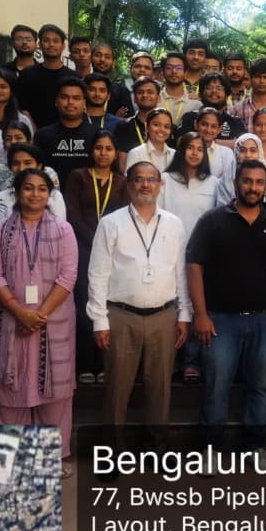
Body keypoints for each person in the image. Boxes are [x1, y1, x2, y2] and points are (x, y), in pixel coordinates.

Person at [186, 160, 266, 454]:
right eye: (247, 181)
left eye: (259, 182)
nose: (253, 187)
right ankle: (209, 449)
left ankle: (254, 446)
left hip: (264, 321)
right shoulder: (213, 221)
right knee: (216, 387)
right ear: (236, 183)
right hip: (221, 321)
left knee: (259, 387)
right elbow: (194, 266)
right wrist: (201, 315)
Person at [0, 168, 79, 475]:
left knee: (56, 394)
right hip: (10, 321)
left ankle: (53, 456)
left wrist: (39, 315)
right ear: (17, 192)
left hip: (55, 321)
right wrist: (20, 313)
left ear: (49, 195)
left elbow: (69, 276)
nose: (35, 194)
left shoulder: (64, 230)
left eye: (41, 189)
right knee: (9, 391)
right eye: (28, 188)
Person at [87, 162, 192, 445]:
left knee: (160, 389)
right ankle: (111, 451)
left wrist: (185, 314)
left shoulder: (174, 223)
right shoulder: (111, 223)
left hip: (164, 316)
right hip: (121, 316)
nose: (145, 185)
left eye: (150, 180)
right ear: (128, 184)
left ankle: (156, 446)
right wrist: (99, 320)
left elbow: (180, 271)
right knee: (117, 389)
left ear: (160, 185)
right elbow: (97, 273)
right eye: (138, 180)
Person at [63, 130, 128, 385]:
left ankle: (105, 363)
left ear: (115, 153)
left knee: (108, 305)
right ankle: (85, 363)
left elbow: (124, 214)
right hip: (83, 245)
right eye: (99, 148)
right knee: (83, 305)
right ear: (92, 151)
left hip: (114, 248)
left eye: (108, 149)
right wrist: (94, 239)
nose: (103, 153)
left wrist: (107, 244)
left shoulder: (122, 181)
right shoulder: (78, 176)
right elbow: (72, 212)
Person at [162, 132, 218, 382]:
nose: (195, 152)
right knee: (171, 306)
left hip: (201, 254)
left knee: (196, 305)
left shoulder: (213, 182)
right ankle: (169, 359)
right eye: (190, 147)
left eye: (200, 149)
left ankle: (191, 360)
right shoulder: (165, 179)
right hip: (169, 251)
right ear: (181, 150)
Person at [14, 24, 79, 128]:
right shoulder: (26, 75)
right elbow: (22, 109)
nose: (51, 44)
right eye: (46, 40)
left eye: (56, 41)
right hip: (33, 133)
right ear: (39, 44)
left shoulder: (74, 77)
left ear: (63, 46)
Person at [33, 76, 96, 176]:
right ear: (56, 101)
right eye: (64, 97)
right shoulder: (42, 136)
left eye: (76, 98)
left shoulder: (97, 135)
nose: (70, 102)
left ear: (84, 103)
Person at [214, 133, 266, 218]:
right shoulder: (226, 181)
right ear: (236, 154)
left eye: (253, 150)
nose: (247, 155)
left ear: (259, 153)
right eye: (242, 150)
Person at [0, 143, 67, 218]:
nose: (21, 168)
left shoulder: (54, 196)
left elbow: (61, 227)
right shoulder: (0, 198)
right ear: (10, 167)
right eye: (16, 163)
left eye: (27, 163)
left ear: (39, 166)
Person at [124, 107, 174, 173]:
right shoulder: (136, 153)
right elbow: (130, 181)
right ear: (147, 127)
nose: (162, 129)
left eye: (166, 127)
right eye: (156, 125)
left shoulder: (174, 155)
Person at [160, 51, 202, 126]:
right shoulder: (154, 100)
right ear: (162, 72)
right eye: (169, 68)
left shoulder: (195, 104)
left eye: (179, 68)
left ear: (185, 73)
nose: (174, 71)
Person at [194, 107, 235, 178]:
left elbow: (227, 181)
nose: (208, 130)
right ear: (196, 125)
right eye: (204, 124)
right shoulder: (187, 150)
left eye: (213, 126)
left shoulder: (226, 153)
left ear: (219, 129)